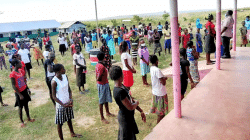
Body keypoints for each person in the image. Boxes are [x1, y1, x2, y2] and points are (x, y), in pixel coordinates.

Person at [109, 65, 146, 140]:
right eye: (122, 74)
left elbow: (130, 100)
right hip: (125, 119)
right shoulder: (119, 91)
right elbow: (131, 107)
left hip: (128, 117)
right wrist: (137, 102)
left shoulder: (121, 86)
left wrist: (141, 110)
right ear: (120, 77)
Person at [51, 64, 83, 140]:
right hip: (61, 105)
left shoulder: (65, 76)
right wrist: (63, 105)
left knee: (69, 118)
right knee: (60, 123)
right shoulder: (54, 82)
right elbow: (54, 96)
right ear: (58, 71)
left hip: (68, 102)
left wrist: (71, 99)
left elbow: (69, 89)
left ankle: (72, 133)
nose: (64, 70)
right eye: (63, 69)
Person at [9, 59, 35, 127]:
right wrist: (19, 95)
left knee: (26, 105)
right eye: (20, 63)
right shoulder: (12, 74)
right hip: (19, 93)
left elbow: (23, 81)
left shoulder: (20, 71)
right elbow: (13, 85)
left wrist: (27, 88)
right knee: (20, 107)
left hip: (24, 90)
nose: (21, 64)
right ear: (15, 65)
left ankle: (29, 118)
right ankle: (22, 122)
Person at [96, 52, 115, 124]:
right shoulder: (102, 67)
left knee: (106, 98)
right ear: (103, 58)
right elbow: (99, 77)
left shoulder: (98, 65)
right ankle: (102, 117)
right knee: (101, 101)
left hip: (103, 84)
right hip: (102, 84)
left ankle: (107, 112)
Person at [149, 55, 168, 123]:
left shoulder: (152, 68)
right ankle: (158, 127)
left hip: (155, 92)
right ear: (157, 61)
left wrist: (163, 78)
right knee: (161, 114)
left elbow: (157, 79)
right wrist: (164, 79)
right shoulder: (157, 70)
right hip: (161, 93)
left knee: (160, 113)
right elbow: (163, 83)